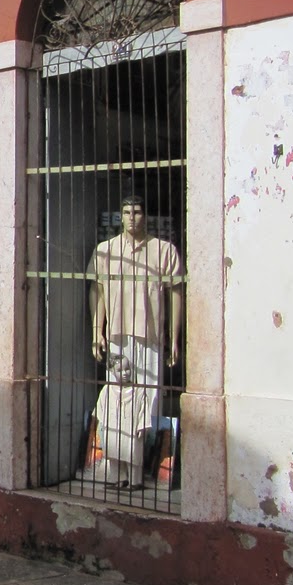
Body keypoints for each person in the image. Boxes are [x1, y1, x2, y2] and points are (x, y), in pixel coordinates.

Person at [83, 196, 184, 489]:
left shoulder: (164, 251)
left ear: (146, 216)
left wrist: (174, 338)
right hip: (116, 335)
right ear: (120, 216)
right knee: (116, 402)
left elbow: (176, 294)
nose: (132, 217)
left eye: (137, 211)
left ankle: (140, 474)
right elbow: (97, 291)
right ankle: (117, 473)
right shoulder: (106, 251)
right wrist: (95, 331)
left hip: (150, 337)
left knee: (144, 404)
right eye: (126, 212)